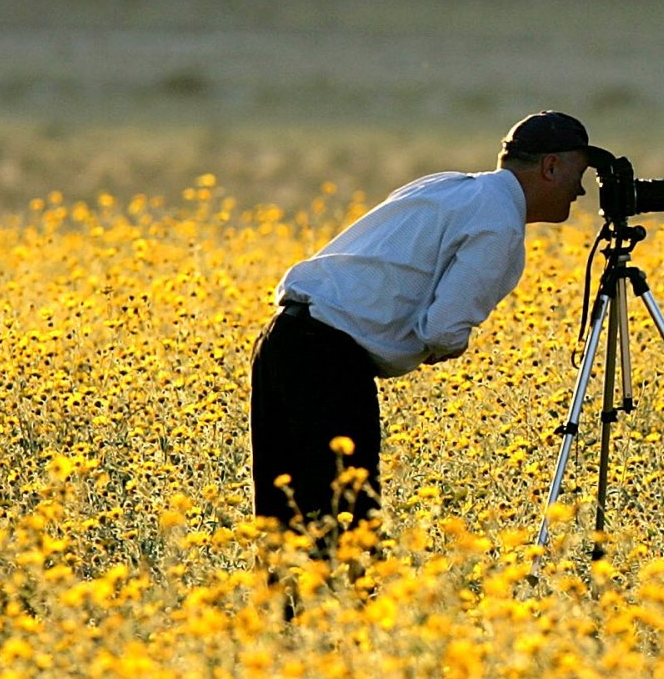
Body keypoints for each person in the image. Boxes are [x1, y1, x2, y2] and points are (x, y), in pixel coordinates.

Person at [250, 110, 594, 532]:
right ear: (551, 166)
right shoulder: (500, 225)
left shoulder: (447, 185)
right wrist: (449, 346)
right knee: (343, 521)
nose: (580, 191)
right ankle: (340, 598)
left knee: (282, 518)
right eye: (579, 174)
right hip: (328, 362)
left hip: (281, 337)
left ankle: (278, 600)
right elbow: (442, 328)